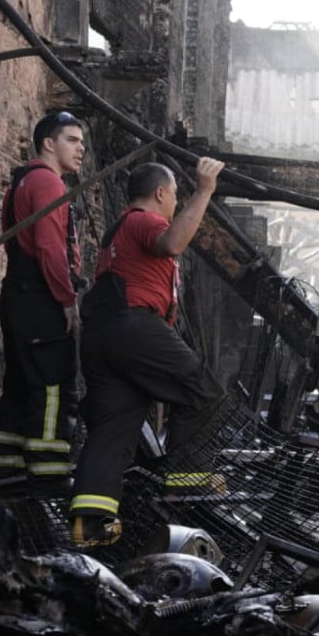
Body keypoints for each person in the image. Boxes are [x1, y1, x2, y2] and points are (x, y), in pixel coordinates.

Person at [69, 158, 226, 546]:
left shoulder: (116, 233)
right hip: (132, 325)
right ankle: (187, 486)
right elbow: (173, 242)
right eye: (174, 195)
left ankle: (90, 525)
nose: (175, 204)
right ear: (160, 193)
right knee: (202, 389)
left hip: (102, 336)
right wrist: (204, 190)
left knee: (115, 425)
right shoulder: (142, 220)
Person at [0, 111, 86, 494]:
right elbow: (49, 246)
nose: (81, 150)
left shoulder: (21, 182)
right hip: (40, 298)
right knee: (51, 385)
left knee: (19, 386)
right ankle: (48, 478)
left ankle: (5, 476)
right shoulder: (46, 182)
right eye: (73, 141)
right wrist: (66, 298)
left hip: (17, 295)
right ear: (49, 143)